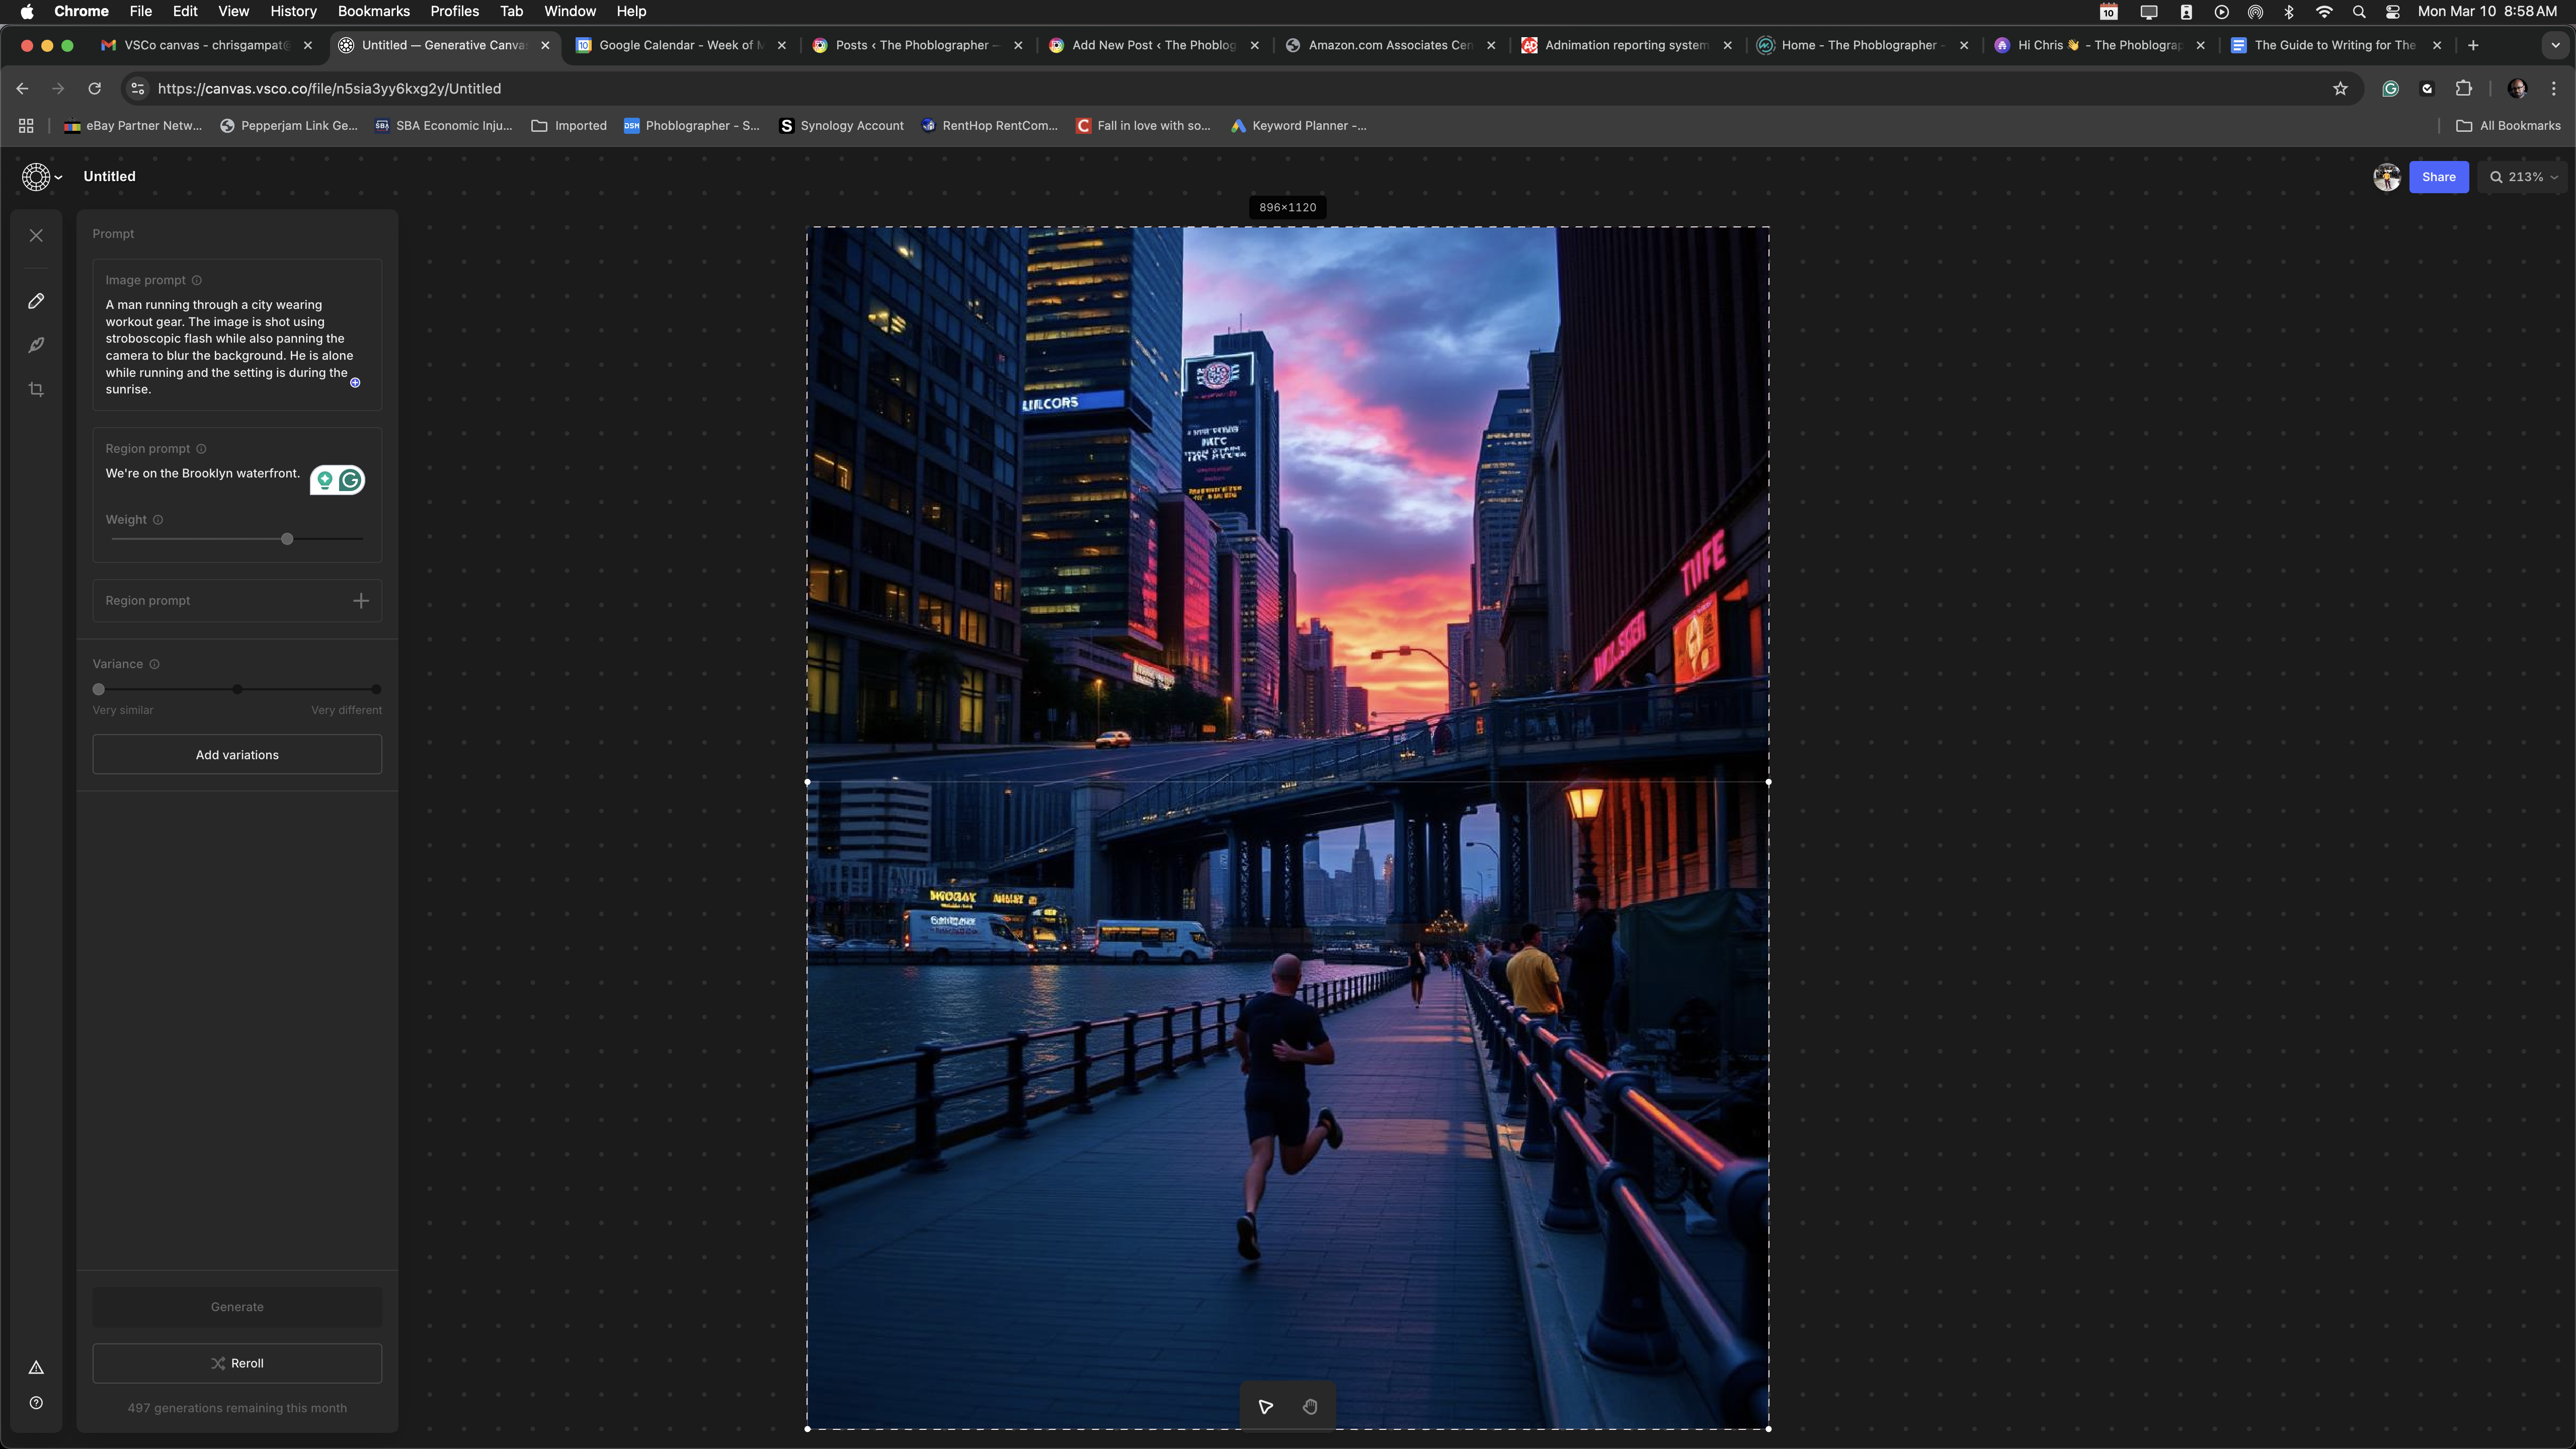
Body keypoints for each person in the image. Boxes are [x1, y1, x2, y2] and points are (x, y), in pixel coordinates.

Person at [1231, 953, 1343, 1261]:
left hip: (1257, 1091)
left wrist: (1247, 1059)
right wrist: (1297, 1056)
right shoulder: (1305, 1013)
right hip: (1291, 1096)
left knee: (1260, 1159)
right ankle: (1326, 1127)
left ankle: (1250, 1214)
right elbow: (1328, 1055)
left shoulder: (1253, 1006)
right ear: (1299, 979)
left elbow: (1238, 1037)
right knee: (1291, 1165)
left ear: (1272, 976)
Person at [1566, 884, 1619, 1064]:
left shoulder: (1594, 923)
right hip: (1591, 984)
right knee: (1591, 1030)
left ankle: (1597, 1073)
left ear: (1586, 900)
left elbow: (1589, 953)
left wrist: (1569, 949)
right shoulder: (1590, 923)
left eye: (1577, 899)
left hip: (1592, 985)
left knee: (1593, 1030)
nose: (1575, 903)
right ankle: (1595, 1070)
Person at [1503, 923, 1562, 1022]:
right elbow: (1553, 985)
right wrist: (1560, 1006)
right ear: (1535, 937)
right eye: (1540, 936)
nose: (1541, 939)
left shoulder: (1512, 961)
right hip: (1544, 1013)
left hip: (1522, 1014)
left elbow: (1512, 985)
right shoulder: (1543, 959)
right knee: (1547, 1038)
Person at [1408, 942, 1428, 1007]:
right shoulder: (1412, 955)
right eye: (1416, 946)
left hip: (1420, 974)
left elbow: (1424, 964)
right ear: (1414, 947)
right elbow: (1410, 964)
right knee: (1414, 988)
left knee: (1420, 987)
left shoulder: (1422, 955)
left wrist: (1423, 971)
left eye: (1418, 946)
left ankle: (1418, 1001)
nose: (1417, 947)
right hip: (1414, 973)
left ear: (1420, 947)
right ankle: (1415, 999)